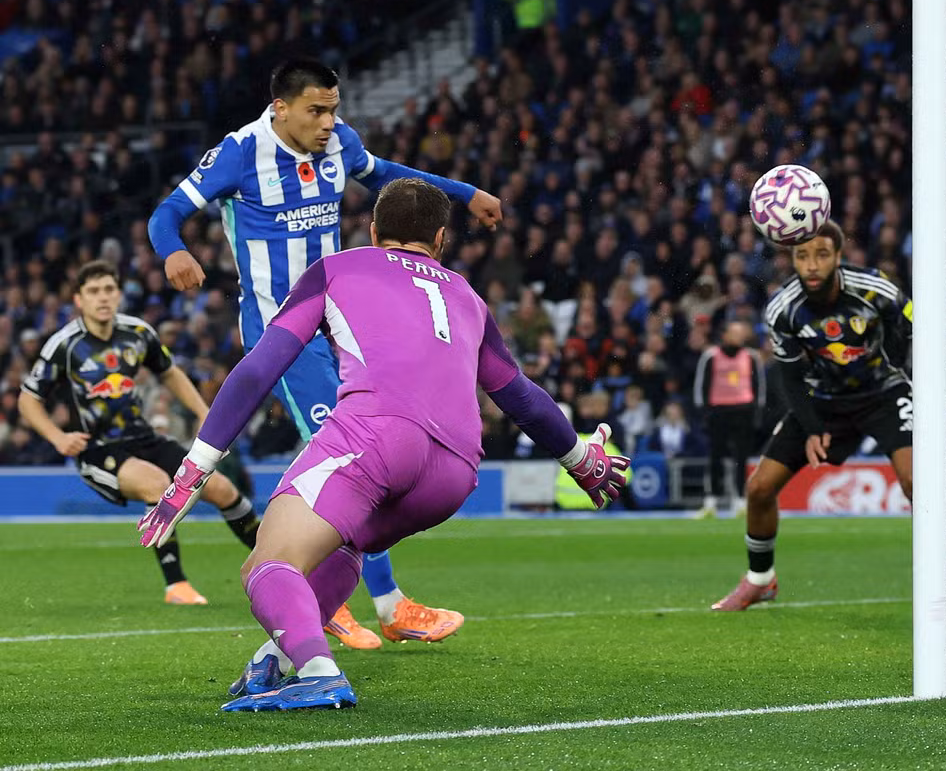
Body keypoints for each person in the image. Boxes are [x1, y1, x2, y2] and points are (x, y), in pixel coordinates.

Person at [138, 180, 629, 711]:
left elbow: (261, 367)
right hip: (455, 471)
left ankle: (319, 673)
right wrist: (581, 460)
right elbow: (520, 396)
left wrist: (195, 467)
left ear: (374, 232)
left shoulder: (338, 268)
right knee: (346, 544)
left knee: (268, 563)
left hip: (377, 437)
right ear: (440, 239)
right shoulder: (467, 296)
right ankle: (276, 657)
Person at [148, 58, 503, 649]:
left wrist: (465, 194)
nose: (328, 123)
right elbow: (167, 214)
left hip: (344, 323)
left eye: (333, 110)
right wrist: (173, 251)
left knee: (362, 456)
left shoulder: (339, 143)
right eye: (316, 111)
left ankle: (349, 594)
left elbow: (387, 174)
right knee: (354, 456)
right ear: (280, 108)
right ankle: (375, 602)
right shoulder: (240, 153)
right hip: (284, 330)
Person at [18, 260, 260, 605]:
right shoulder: (64, 345)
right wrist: (58, 437)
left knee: (222, 488)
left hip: (143, 438)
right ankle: (176, 586)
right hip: (97, 449)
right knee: (156, 485)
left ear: (118, 295)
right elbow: (28, 399)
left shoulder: (138, 333)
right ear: (79, 300)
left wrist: (204, 413)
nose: (103, 297)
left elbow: (170, 372)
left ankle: (276, 562)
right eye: (93, 291)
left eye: (108, 289)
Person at [712, 221, 915, 611]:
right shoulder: (782, 308)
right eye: (802, 256)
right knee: (759, 488)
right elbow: (789, 377)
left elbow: (921, 339)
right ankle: (760, 580)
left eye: (822, 255)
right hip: (822, 399)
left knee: (914, 482)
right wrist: (812, 427)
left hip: (884, 393)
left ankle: (944, 583)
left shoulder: (876, 289)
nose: (812, 265)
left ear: (838, 256)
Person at [693, 321, 765, 517]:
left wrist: (756, 414)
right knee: (715, 457)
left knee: (741, 459)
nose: (739, 336)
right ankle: (711, 502)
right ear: (724, 335)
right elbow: (702, 386)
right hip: (718, 412)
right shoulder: (711, 355)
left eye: (741, 332)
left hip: (743, 411)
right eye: (735, 332)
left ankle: (740, 501)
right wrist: (705, 413)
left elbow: (758, 387)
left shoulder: (751, 356)